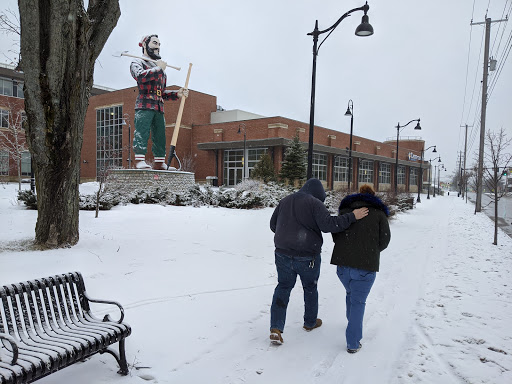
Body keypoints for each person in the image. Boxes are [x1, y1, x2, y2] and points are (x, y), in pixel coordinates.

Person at [269, 178, 369, 345]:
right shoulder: (314, 203)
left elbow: (273, 225)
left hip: (282, 254)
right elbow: (328, 225)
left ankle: (276, 328)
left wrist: (288, 231)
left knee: (283, 287)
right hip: (307, 256)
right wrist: (352, 216)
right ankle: (310, 322)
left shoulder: (286, 200)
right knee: (310, 287)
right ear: (318, 194)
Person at [330, 184, 391, 353]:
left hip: (342, 266)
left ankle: (352, 322)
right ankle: (353, 343)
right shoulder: (379, 214)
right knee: (358, 302)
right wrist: (370, 251)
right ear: (373, 196)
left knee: (351, 293)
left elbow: (335, 234)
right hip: (365, 267)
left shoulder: (345, 213)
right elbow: (384, 241)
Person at [130, 34, 188, 170]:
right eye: (155, 43)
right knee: (142, 132)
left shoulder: (161, 70)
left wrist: (177, 94)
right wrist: (158, 69)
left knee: (160, 135)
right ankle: (139, 160)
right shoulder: (138, 63)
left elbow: (161, 93)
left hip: (158, 107)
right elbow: (139, 77)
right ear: (144, 45)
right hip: (144, 105)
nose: (158, 47)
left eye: (159, 44)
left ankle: (159, 162)